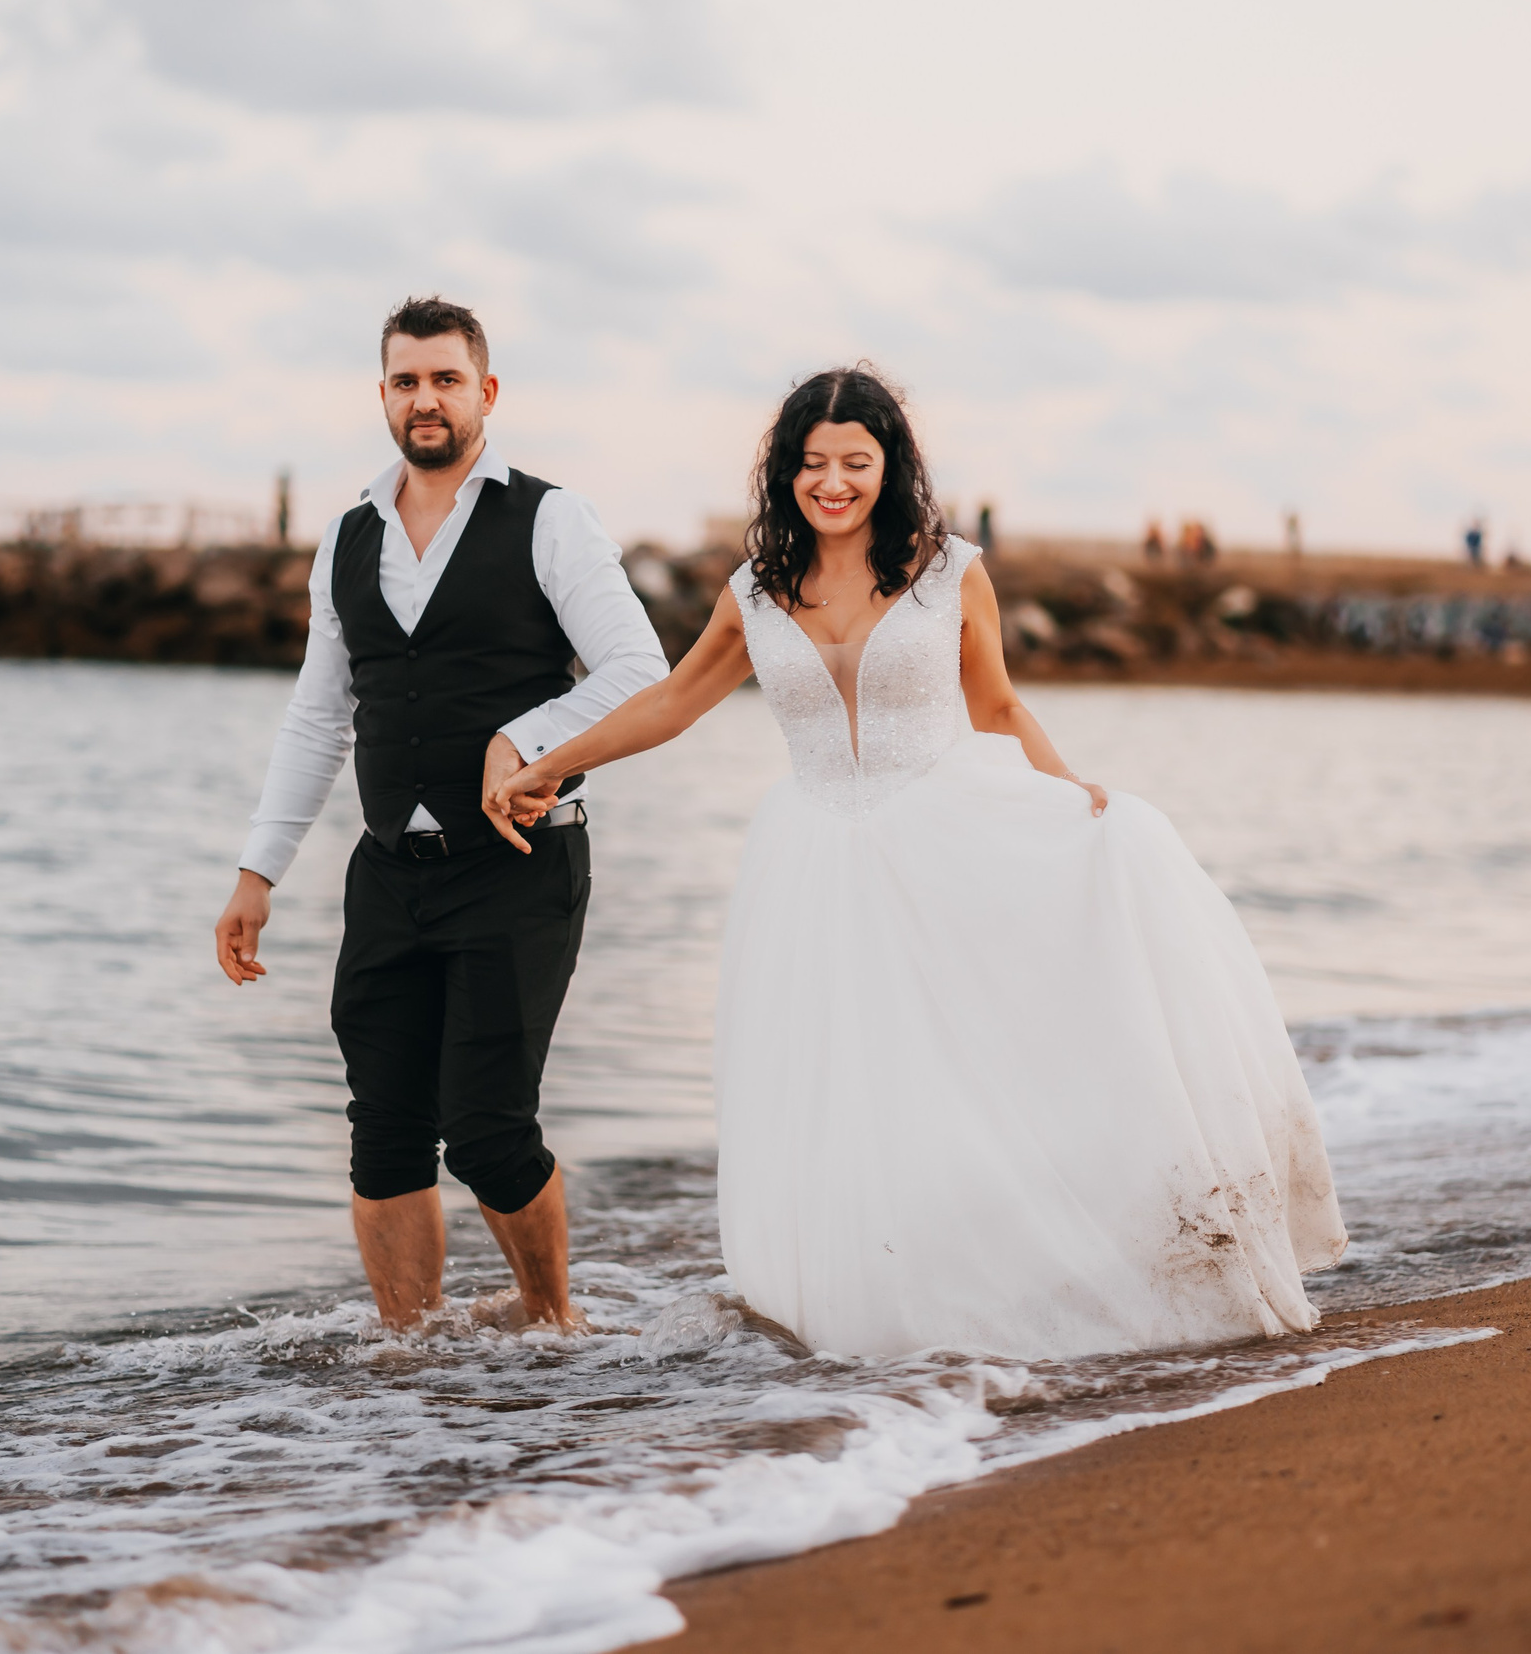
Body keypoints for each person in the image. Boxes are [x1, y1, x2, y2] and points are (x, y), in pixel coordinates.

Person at [489, 366, 1346, 1360]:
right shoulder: (756, 591)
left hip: (947, 842)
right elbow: (674, 703)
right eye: (812, 464)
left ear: (888, 465)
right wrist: (549, 764)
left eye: (855, 461)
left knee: (971, 1079)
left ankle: (1040, 1284)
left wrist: (1070, 795)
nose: (833, 483)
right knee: (850, 1097)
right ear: (785, 474)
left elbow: (998, 704)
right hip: (811, 869)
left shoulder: (949, 571)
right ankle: (867, 1322)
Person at [212, 296, 669, 1334]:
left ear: (486, 393)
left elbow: (641, 670)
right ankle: (409, 1368)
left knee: (488, 1130)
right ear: (383, 395)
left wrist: (526, 739)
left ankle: (556, 1329)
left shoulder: (550, 518)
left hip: (518, 864)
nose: (426, 398)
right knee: (383, 1134)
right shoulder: (346, 536)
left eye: (446, 379)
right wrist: (257, 872)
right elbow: (319, 716)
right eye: (406, 380)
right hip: (388, 874)